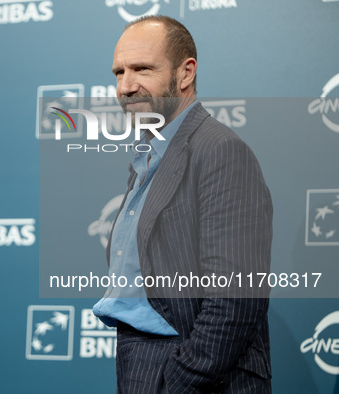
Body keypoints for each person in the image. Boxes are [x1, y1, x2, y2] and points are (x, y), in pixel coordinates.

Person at [92, 16, 273, 393]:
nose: (126, 86)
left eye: (142, 69)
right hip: (140, 361)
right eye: (119, 72)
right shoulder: (151, 155)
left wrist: (179, 381)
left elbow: (236, 297)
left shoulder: (219, 150)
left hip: (192, 374)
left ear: (185, 72)